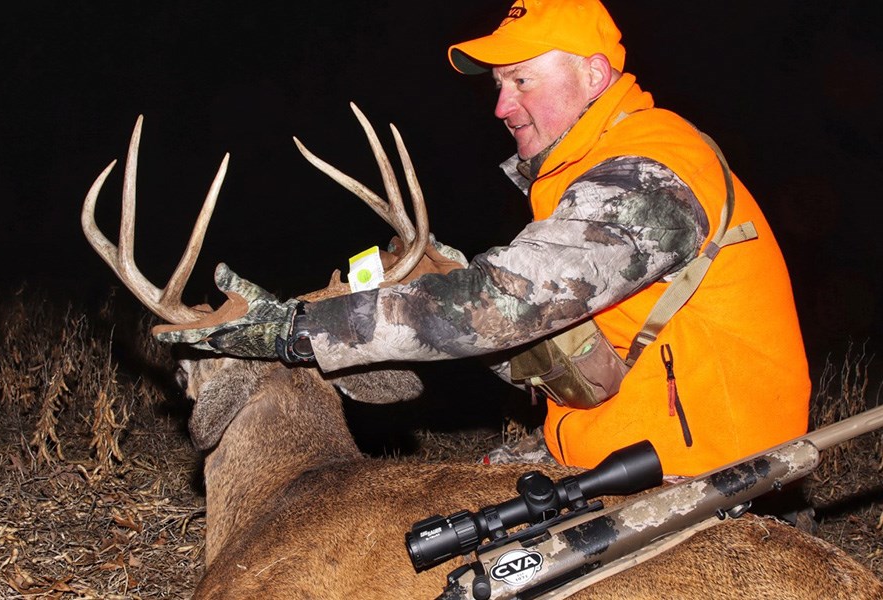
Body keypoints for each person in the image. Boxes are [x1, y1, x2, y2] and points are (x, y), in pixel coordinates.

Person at [156, 0, 811, 477]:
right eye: (499, 85)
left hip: (714, 467)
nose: (501, 106)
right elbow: (554, 336)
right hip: (634, 446)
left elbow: (506, 305)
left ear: (594, 74)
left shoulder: (651, 172)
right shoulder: (581, 177)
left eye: (522, 80)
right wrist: (437, 276)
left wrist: (300, 328)